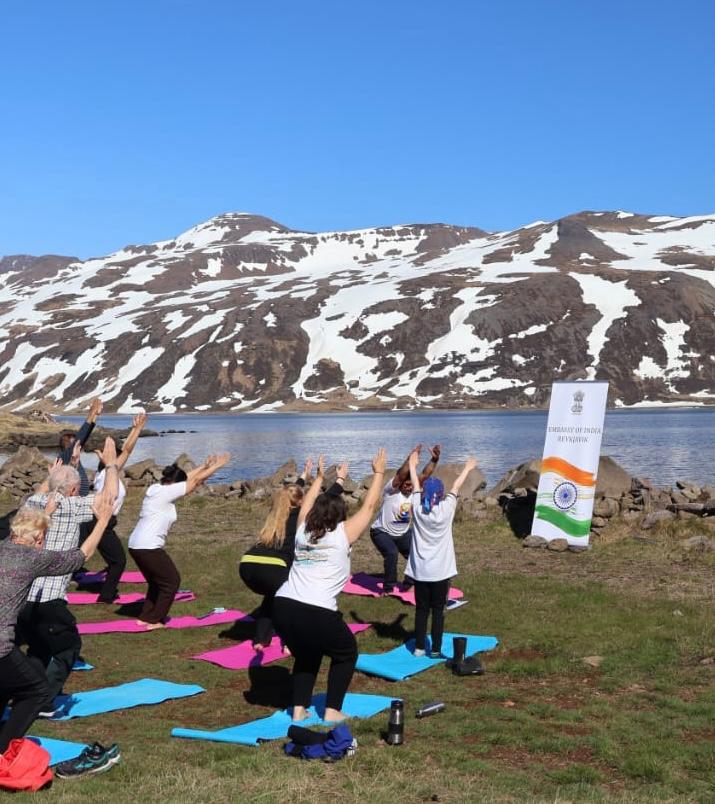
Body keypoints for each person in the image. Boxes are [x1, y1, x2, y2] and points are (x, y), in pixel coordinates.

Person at [272, 448, 388, 724]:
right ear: (339, 515)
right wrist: (379, 473)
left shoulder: (302, 529)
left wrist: (321, 478)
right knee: (347, 653)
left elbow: (307, 503)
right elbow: (370, 507)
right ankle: (332, 709)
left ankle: (299, 710)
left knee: (307, 653)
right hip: (316, 609)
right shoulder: (342, 534)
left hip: (283, 605)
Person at [0, 483, 115, 753]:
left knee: (6, 685)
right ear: (39, 541)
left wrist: (46, 515)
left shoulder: (5, 546)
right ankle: (3, 750)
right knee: (37, 691)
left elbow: (30, 531)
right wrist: (103, 522)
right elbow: (79, 557)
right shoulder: (30, 558)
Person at [16, 441, 119, 714]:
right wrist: (111, 465)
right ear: (74, 491)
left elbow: (46, 491)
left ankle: (28, 693)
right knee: (68, 648)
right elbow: (108, 499)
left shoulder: (32, 502)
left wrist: (59, 473)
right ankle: (44, 702)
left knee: (39, 647)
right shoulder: (71, 507)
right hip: (49, 598)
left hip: (24, 595)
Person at [239, 459, 349, 649]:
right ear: (300, 502)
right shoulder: (303, 517)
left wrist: (304, 476)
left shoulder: (276, 510)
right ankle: (291, 642)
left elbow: (288, 492)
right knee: (292, 601)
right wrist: (340, 479)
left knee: (272, 596)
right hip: (273, 567)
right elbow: (327, 498)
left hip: (248, 565)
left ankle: (260, 639)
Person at [127, 453, 230, 629]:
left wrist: (204, 466)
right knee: (172, 581)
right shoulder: (166, 492)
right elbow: (194, 482)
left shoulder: (158, 488)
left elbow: (188, 479)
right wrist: (217, 466)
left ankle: (146, 616)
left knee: (157, 582)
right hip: (148, 546)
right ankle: (155, 620)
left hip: (136, 544)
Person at [405, 450, 477, 658]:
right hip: (441, 573)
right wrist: (467, 468)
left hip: (420, 572)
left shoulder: (418, 509)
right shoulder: (446, 509)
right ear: (440, 495)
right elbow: (456, 487)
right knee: (438, 612)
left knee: (421, 610)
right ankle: (435, 648)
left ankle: (419, 648)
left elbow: (417, 486)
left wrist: (412, 465)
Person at [85, 412, 148, 603]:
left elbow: (125, 451)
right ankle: (106, 596)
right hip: (100, 522)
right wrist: (136, 430)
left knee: (113, 559)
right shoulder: (106, 473)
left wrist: (136, 430)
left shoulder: (106, 473)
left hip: (102, 521)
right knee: (118, 561)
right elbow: (126, 452)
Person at [370, 444, 441, 594]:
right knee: (391, 554)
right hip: (381, 532)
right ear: (400, 483)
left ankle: (408, 584)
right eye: (407, 485)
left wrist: (434, 459)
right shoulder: (391, 490)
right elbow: (401, 475)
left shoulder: (413, 490)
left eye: (411, 485)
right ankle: (388, 589)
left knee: (416, 554)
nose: (409, 488)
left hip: (402, 533)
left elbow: (425, 475)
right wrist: (410, 459)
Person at [59, 398, 103, 496]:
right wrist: (92, 413)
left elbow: (85, 435)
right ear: (68, 446)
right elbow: (81, 435)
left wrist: (95, 416)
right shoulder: (65, 456)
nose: (80, 447)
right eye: (77, 445)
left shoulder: (74, 458)